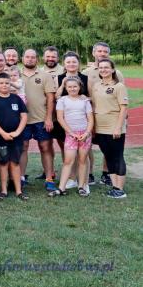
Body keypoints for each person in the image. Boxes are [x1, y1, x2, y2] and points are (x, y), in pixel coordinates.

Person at [17, 49, 57, 191]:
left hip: (41, 118)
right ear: (22, 58)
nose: (30, 59)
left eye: (33, 57)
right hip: (22, 119)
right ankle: (21, 178)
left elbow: (50, 98)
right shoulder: (15, 75)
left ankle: (49, 178)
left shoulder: (45, 75)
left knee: (45, 147)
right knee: (23, 147)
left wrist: (49, 118)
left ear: (37, 59)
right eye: (27, 57)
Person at [0, 72, 28, 200]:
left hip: (16, 137)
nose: (4, 85)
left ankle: (19, 191)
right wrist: (3, 133)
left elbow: (24, 116)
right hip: (0, 137)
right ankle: (3, 190)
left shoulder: (16, 99)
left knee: (15, 163)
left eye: (7, 83)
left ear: (11, 84)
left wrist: (17, 132)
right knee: (3, 163)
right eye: (1, 83)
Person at [90, 59, 128, 199]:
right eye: (101, 67)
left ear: (112, 69)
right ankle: (115, 186)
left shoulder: (119, 86)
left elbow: (124, 108)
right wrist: (93, 126)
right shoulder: (96, 86)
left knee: (117, 157)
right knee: (108, 156)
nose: (103, 70)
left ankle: (120, 189)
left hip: (114, 127)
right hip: (100, 128)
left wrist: (118, 127)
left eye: (106, 67)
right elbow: (94, 106)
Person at [49, 77, 93, 197]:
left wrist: (87, 133)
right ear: (66, 88)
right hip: (70, 135)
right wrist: (70, 132)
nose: (72, 89)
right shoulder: (62, 100)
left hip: (84, 134)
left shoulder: (85, 101)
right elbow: (60, 118)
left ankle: (81, 186)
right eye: (69, 87)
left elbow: (90, 119)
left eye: (75, 86)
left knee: (82, 160)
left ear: (79, 87)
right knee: (68, 161)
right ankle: (61, 188)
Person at [55, 51, 90, 189]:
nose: (71, 64)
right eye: (68, 62)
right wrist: (63, 84)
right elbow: (56, 96)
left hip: (83, 120)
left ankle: (85, 181)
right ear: (64, 64)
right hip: (66, 120)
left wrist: (85, 98)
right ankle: (72, 178)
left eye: (74, 62)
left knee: (84, 155)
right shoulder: (59, 78)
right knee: (69, 151)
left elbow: (90, 96)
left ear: (78, 63)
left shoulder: (85, 78)